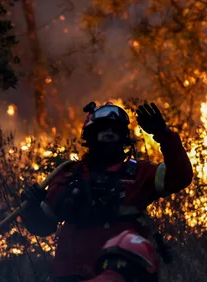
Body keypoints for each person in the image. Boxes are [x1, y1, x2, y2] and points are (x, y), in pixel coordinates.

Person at [20, 101, 193, 281]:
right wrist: (32, 208)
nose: (110, 133)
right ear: (91, 134)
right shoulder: (67, 175)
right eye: (104, 128)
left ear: (124, 137)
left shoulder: (140, 174)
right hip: (70, 274)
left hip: (122, 273)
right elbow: (43, 227)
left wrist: (163, 134)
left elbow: (181, 176)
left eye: (115, 130)